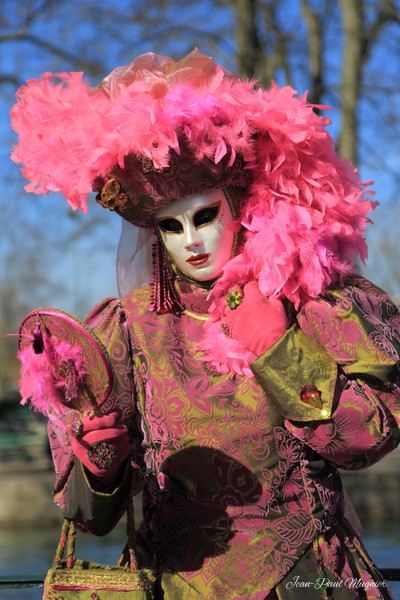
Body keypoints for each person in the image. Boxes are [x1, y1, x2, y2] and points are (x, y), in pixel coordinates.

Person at [11, 48, 400, 599]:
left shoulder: (311, 305)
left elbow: (367, 441)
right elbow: (88, 517)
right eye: (171, 226)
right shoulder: (127, 332)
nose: (190, 240)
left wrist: (279, 347)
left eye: (204, 216)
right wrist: (102, 472)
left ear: (238, 205)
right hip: (174, 584)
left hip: (308, 581)